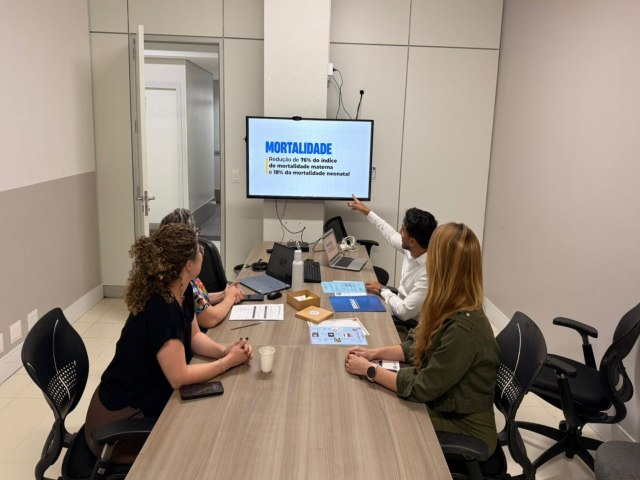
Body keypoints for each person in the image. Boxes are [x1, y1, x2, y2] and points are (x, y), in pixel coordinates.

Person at [84, 223, 253, 463]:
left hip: (136, 399)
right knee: (204, 444)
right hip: (117, 422)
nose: (202, 253)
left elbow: (194, 337)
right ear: (188, 265)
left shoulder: (181, 290)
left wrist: (224, 351)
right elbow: (179, 377)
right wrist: (227, 363)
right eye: (199, 250)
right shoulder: (162, 307)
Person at [344, 223, 500, 455]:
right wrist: (373, 354)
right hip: (443, 401)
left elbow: (422, 387)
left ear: (444, 266)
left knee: (378, 419)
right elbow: (417, 344)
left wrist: (370, 370)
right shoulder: (448, 303)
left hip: (464, 427)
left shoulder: (465, 328)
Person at [347, 195, 437, 327]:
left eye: (403, 230)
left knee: (361, 319)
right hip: (396, 304)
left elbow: (404, 312)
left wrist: (383, 289)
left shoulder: (428, 272)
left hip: (411, 325)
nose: (400, 232)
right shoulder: (415, 248)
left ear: (412, 241)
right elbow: (390, 234)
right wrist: (367, 211)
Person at [160, 208, 243, 330]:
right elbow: (211, 318)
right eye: (194, 232)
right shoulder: (179, 283)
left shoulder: (182, 279)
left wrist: (223, 294)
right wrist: (229, 298)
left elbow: (200, 299)